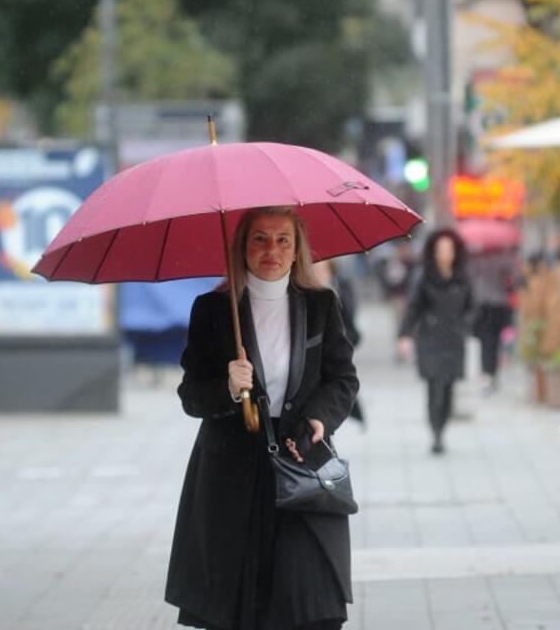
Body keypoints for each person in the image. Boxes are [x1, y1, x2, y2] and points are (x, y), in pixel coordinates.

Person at [165, 206, 359, 630]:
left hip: (300, 464)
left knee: (308, 604)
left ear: (297, 249)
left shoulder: (321, 305)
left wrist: (320, 418)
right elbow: (191, 396)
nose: (272, 249)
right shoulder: (213, 310)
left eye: (283, 240)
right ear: (242, 247)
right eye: (260, 239)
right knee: (238, 608)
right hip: (229, 476)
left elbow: (343, 379)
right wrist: (228, 387)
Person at [397, 228, 473, 455]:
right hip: (430, 338)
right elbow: (413, 307)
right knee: (434, 386)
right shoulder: (424, 277)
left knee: (448, 387)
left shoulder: (462, 277)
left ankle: (442, 426)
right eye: (441, 250)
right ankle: (436, 432)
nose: (445, 254)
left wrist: (464, 326)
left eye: (449, 250)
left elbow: (472, 307)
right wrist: (404, 334)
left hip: (454, 339)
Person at [314, 258, 365, 425]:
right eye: (314, 269)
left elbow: (351, 328)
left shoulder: (339, 293)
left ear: (330, 272)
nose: (318, 273)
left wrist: (336, 344)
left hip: (331, 358)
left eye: (322, 269)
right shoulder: (301, 296)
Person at [469, 248, 517, 395]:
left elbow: (470, 278)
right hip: (499, 305)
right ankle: (492, 374)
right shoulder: (504, 259)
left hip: (483, 305)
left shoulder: (476, 260)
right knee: (495, 342)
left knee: (486, 343)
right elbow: (513, 279)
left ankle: (488, 374)